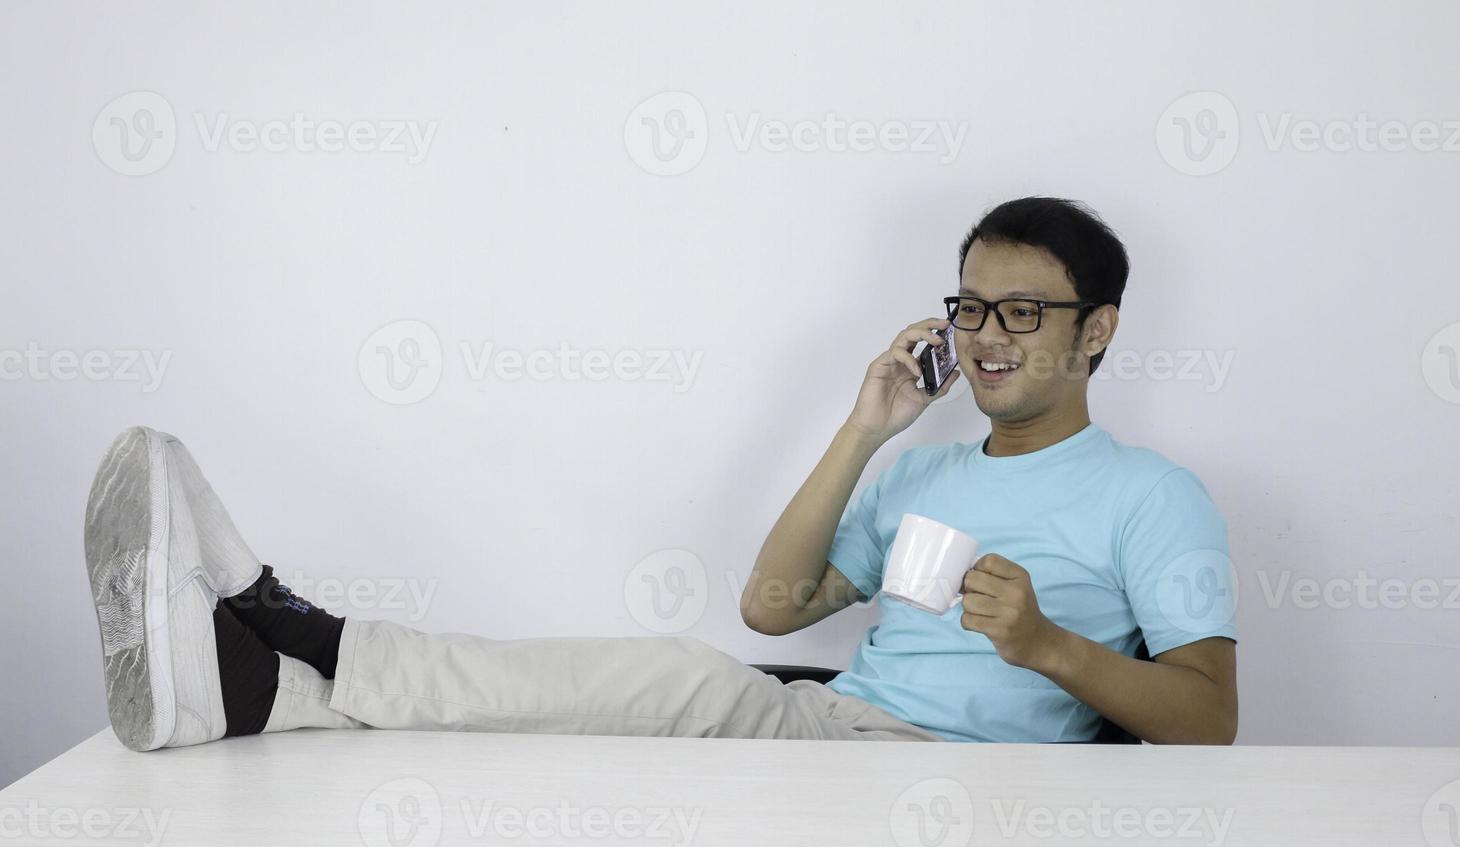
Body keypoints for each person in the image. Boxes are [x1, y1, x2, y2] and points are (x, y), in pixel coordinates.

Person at [83, 196, 1237, 752]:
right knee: (623, 703)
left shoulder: (1153, 496)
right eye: (973, 305)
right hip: (832, 736)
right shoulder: (914, 471)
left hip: (965, 781)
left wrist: (1048, 646)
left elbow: (1210, 719)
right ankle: (274, 687)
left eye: (1024, 310)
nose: (989, 333)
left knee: (680, 678)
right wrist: (865, 425)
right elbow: (773, 609)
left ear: (1097, 333)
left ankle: (298, 636)